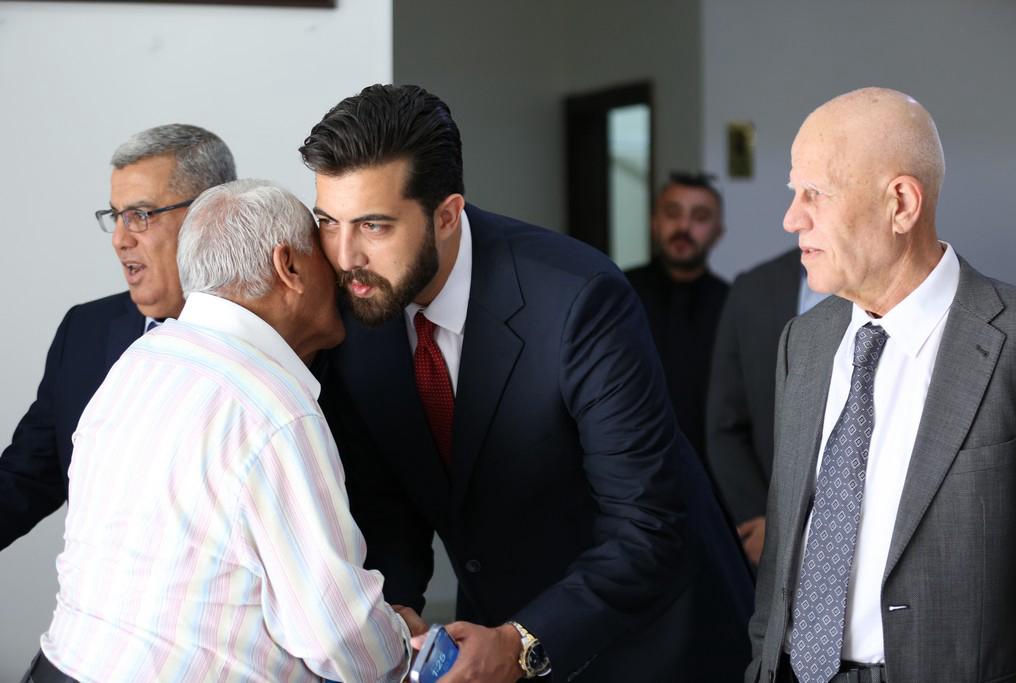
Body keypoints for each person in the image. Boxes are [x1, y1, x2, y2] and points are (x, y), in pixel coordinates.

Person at [303, 84, 753, 683]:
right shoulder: (356, 308)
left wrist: (522, 641)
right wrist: (396, 609)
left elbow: (646, 527)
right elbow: (388, 503)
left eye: (374, 226)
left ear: (447, 215)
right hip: (496, 623)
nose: (344, 256)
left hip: (655, 642)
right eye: (328, 222)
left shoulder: (579, 298)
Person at [29, 180, 412, 683]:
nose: (341, 273)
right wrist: (399, 642)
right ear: (289, 266)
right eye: (323, 252)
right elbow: (339, 639)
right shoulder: (273, 407)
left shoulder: (136, 364)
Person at [748, 88, 1016, 683]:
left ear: (900, 204)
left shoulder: (1015, 342)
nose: (792, 219)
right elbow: (782, 557)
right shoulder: (804, 342)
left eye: (815, 193)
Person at [0, 124, 236, 550]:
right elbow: (25, 476)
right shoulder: (83, 332)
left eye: (140, 215)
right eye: (116, 216)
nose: (120, 239)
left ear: (209, 215)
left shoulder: (284, 338)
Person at [706, 247, 826, 566]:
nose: (795, 222)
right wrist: (765, 522)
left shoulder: (901, 285)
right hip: (771, 533)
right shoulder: (752, 289)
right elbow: (726, 426)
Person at [624, 172, 728, 461]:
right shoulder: (618, 293)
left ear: (718, 231)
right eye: (673, 214)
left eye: (700, 217)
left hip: (712, 471)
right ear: (654, 222)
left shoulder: (734, 304)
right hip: (630, 459)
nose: (683, 227)